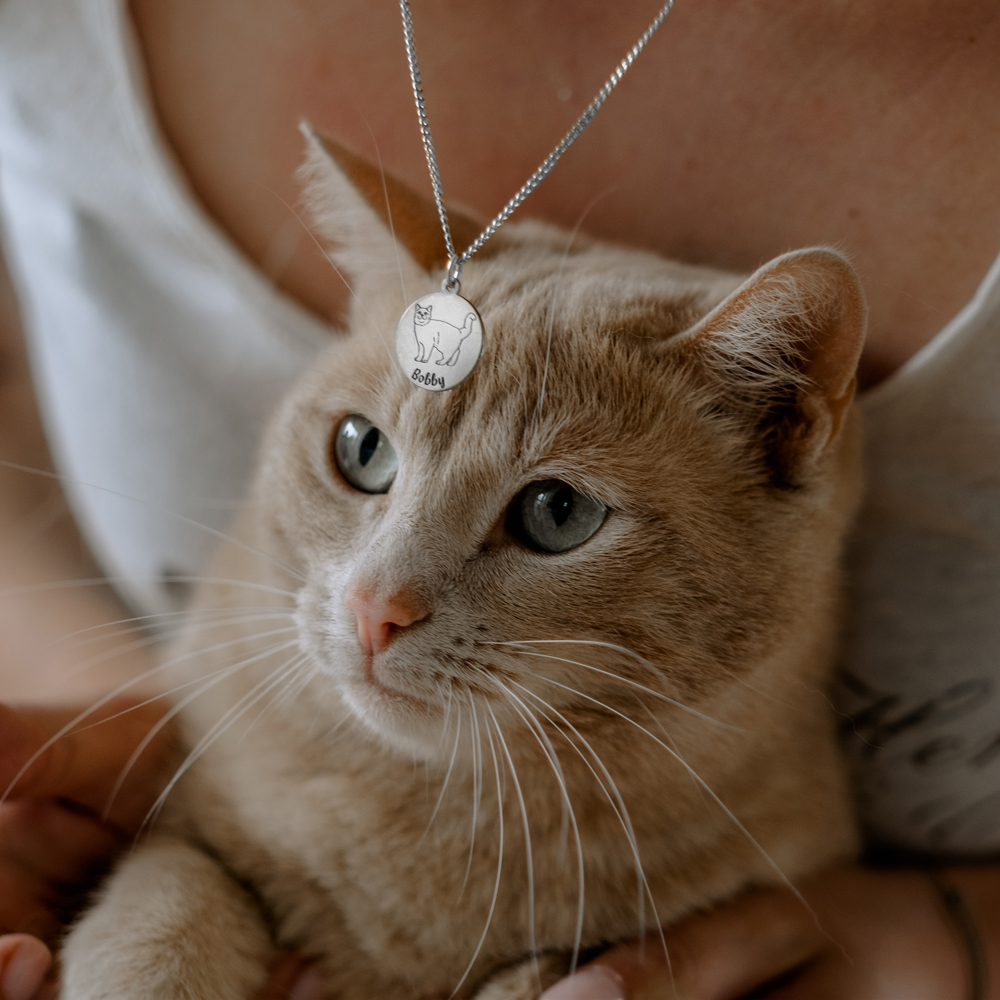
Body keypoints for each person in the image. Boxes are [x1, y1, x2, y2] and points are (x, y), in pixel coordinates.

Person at [2, 1, 1000, 997]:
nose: (379, 597)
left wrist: (962, 940)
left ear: (777, 433)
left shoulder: (744, 840)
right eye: (364, 455)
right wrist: (84, 777)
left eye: (550, 512)